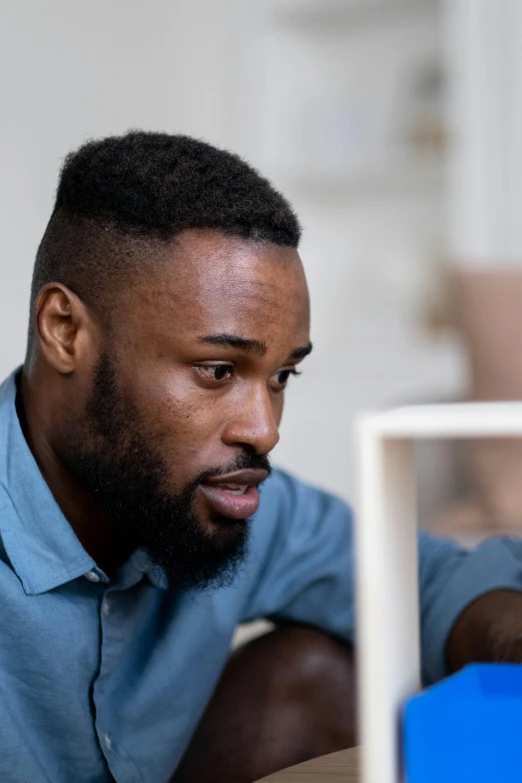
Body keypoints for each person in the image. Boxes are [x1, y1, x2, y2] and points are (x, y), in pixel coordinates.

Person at [2, 131, 522, 783]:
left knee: (316, 668)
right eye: (218, 369)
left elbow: (422, 581)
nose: (265, 429)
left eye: (281, 377)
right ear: (65, 331)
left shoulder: (228, 498)